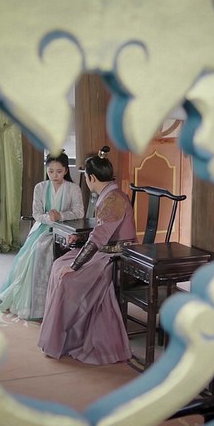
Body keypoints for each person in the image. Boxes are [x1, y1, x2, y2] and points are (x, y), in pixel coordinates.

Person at [38, 146, 134, 365]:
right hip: (104, 252)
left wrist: (75, 265)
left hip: (115, 258)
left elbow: (100, 237)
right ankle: (66, 334)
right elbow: (101, 232)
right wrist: (80, 240)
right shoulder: (108, 194)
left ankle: (72, 335)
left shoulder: (113, 200)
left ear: (91, 178)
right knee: (59, 264)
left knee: (67, 277)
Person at [0, 151, 84, 320]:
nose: (54, 175)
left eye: (59, 171)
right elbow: (37, 214)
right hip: (42, 228)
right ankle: (36, 305)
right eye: (51, 171)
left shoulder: (73, 188)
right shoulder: (40, 187)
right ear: (46, 170)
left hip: (65, 229)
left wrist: (60, 215)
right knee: (36, 251)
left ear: (66, 170)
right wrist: (50, 218)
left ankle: (58, 302)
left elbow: (79, 212)